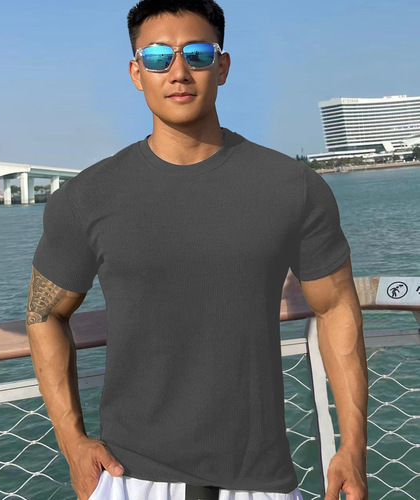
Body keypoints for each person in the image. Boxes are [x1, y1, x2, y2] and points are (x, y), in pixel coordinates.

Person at [26, 1, 369, 499]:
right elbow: (43, 314)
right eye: (158, 57)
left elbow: (336, 306)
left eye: (198, 54)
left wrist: (352, 446)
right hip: (129, 477)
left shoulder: (291, 187)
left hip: (259, 478)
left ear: (222, 67)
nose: (179, 72)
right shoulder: (86, 198)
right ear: (136, 72)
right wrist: (72, 442)